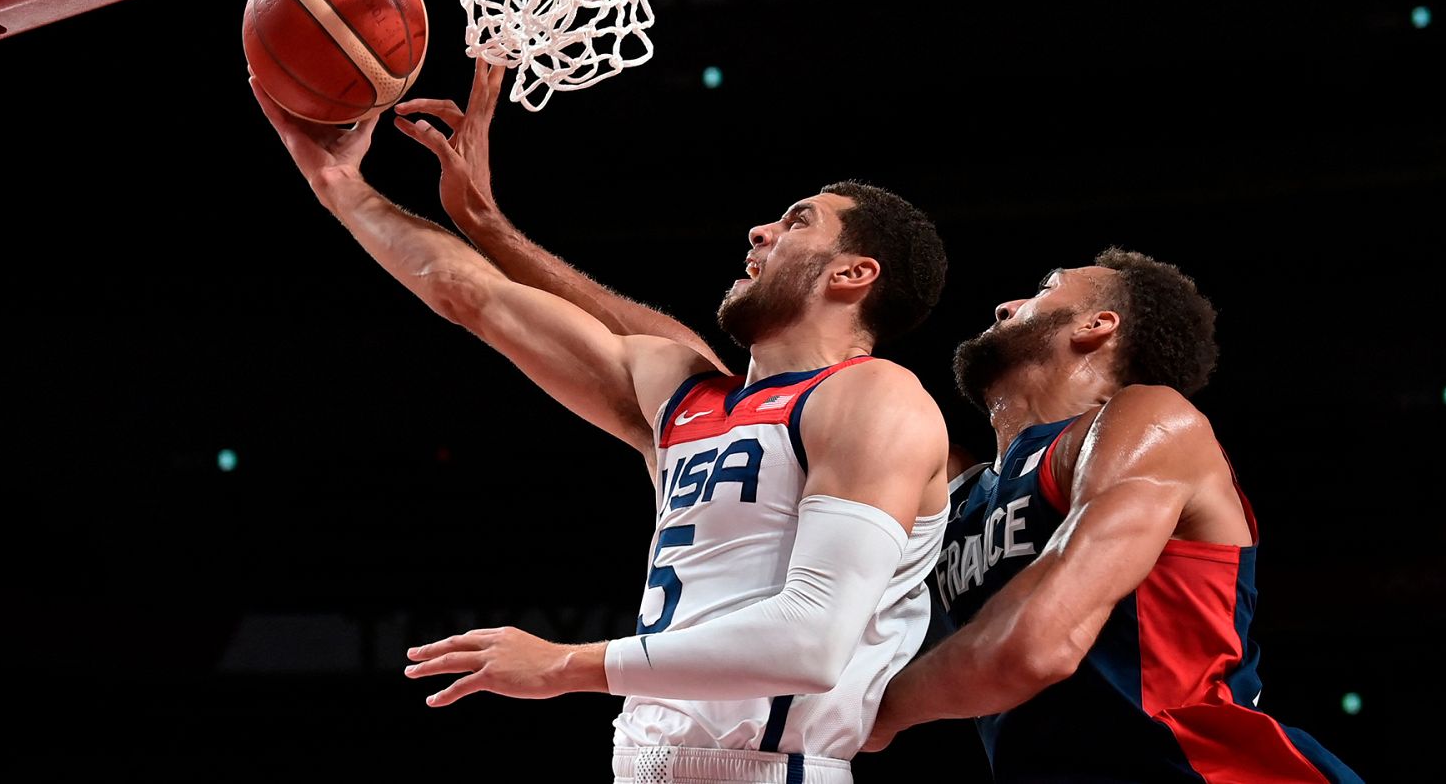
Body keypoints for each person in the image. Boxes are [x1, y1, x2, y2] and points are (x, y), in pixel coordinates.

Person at [249, 59, 956, 784]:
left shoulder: (877, 399)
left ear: (853, 275)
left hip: (775, 768)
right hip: (643, 763)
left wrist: (562, 664)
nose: (760, 230)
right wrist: (342, 188)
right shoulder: (685, 397)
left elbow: (811, 643)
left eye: (797, 221)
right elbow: (474, 296)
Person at [862, 249, 1364, 783]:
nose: (1007, 306)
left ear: (1096, 326)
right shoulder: (960, 490)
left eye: (1044, 289)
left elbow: (1036, 645)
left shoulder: (1150, 420)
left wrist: (870, 716)